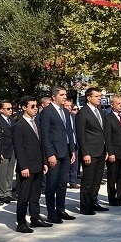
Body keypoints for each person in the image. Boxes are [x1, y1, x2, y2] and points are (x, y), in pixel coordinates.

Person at [39, 86, 77, 223]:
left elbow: (69, 131)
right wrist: (50, 154)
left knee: (62, 184)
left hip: (66, 151)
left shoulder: (65, 112)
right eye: (62, 94)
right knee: (52, 184)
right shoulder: (47, 112)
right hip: (54, 153)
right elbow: (45, 135)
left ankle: (61, 209)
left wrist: (72, 150)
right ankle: (51, 212)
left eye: (65, 94)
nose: (65, 97)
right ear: (54, 97)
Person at [12, 95, 50, 232]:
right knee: (24, 196)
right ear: (23, 107)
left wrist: (44, 162)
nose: (36, 109)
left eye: (37, 106)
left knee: (35, 195)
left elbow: (41, 145)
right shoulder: (19, 125)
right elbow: (19, 147)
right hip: (27, 167)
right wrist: (23, 166)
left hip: (38, 165)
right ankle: (21, 222)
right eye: (32, 106)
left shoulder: (36, 123)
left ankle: (35, 218)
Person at [76, 87, 108, 215]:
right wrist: (85, 153)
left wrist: (106, 149)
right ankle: (85, 205)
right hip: (90, 151)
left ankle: (93, 201)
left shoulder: (99, 111)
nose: (99, 98)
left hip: (100, 150)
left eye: (100, 96)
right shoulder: (83, 113)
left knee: (97, 179)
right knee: (88, 180)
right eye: (97, 96)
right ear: (89, 98)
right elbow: (81, 135)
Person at [0, 100, 17, 203]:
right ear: (1, 110)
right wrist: (0, 151)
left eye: (11, 108)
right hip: (3, 149)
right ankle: (2, 193)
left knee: (9, 172)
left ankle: (8, 192)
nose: (10, 110)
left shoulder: (11, 120)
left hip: (12, 148)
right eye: (8, 109)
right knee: (2, 173)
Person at [64, 100, 80, 188]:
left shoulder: (74, 116)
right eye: (67, 106)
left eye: (70, 106)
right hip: (65, 143)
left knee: (75, 163)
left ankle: (73, 181)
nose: (69, 107)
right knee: (66, 163)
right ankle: (64, 179)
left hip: (74, 142)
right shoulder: (62, 117)